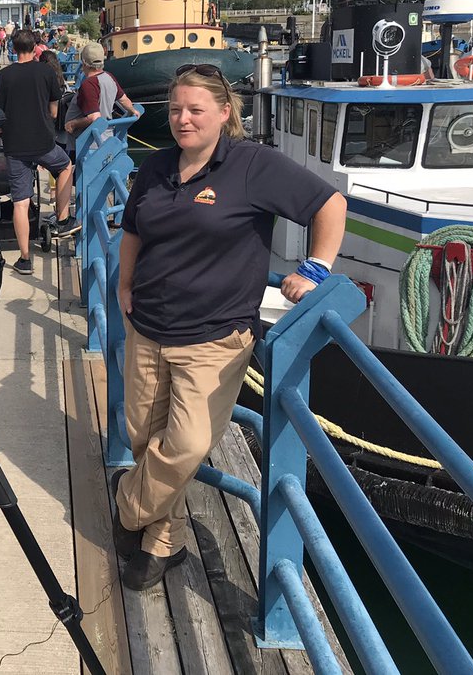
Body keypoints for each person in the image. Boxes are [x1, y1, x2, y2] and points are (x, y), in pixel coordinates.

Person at [112, 64, 346, 591]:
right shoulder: (157, 166)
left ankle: (127, 507)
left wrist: (315, 268)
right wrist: (124, 285)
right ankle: (162, 542)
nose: (183, 119)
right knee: (146, 439)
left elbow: (329, 204)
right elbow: (132, 231)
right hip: (147, 327)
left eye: (196, 110)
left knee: (187, 445)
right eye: (176, 109)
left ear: (224, 112)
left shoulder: (252, 165)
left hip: (213, 339)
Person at [0, 29, 78, 276]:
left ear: (13, 48)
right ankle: (62, 219)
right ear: (35, 47)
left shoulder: (3, 76)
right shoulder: (46, 72)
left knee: (21, 202)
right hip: (43, 142)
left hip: (14, 146)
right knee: (65, 166)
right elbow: (54, 112)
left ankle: (25, 259)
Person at [64, 43, 140, 155]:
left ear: (84, 62)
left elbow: (94, 118)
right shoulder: (109, 77)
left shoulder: (88, 84)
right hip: (106, 137)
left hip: (87, 145)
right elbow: (124, 99)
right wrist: (133, 110)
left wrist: (72, 124)